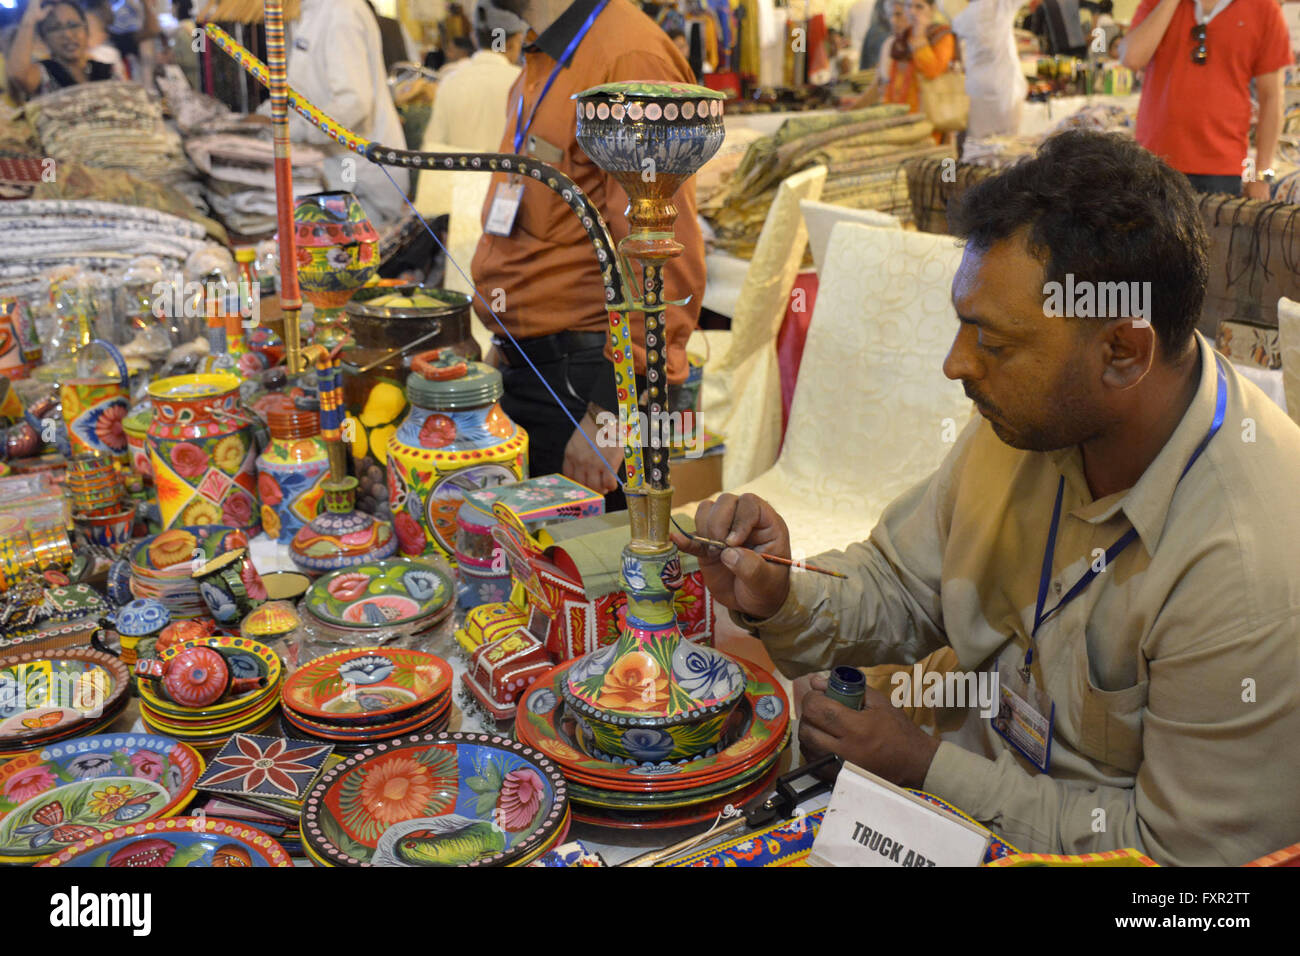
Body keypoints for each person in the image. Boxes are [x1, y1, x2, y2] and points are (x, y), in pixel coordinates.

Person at [675, 130, 1300, 866]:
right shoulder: (1031, 423)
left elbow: (1175, 864)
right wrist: (779, 590)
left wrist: (926, 768)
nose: (954, 364)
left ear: (1123, 353)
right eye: (963, 326)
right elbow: (901, 589)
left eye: (993, 343)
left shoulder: (1252, 567)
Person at [469, 0, 706, 502]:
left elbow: (665, 256)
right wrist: (503, 338)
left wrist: (610, 417)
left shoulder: (629, 56)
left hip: (587, 390)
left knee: (583, 575)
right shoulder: (543, 58)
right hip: (531, 372)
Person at [1120, 0, 1291, 199]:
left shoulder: (1264, 9)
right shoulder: (1156, 3)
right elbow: (1131, 58)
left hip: (1221, 168)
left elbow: (1272, 98)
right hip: (1153, 160)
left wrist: (1262, 176)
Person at [275, 0, 410, 227]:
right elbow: (302, 89)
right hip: (337, 170)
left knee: (357, 255)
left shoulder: (342, 11)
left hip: (362, 178)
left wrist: (292, 130)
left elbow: (354, 103)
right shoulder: (307, 12)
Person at [422, 0, 526, 153]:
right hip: (506, 176)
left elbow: (432, 146)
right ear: (514, 42)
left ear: (474, 38)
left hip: (456, 175)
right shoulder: (521, 81)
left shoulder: (450, 80)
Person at [8, 0, 117, 97]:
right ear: (44, 38)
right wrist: (29, 19)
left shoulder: (107, 71)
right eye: (55, 28)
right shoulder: (44, 73)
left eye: (73, 25)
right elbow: (18, 76)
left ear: (86, 30)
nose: (67, 35)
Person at [951, 0, 1026, 140]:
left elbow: (958, 57)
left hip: (976, 88)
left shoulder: (962, 18)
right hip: (1005, 86)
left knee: (978, 146)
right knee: (1008, 145)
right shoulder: (1002, 6)